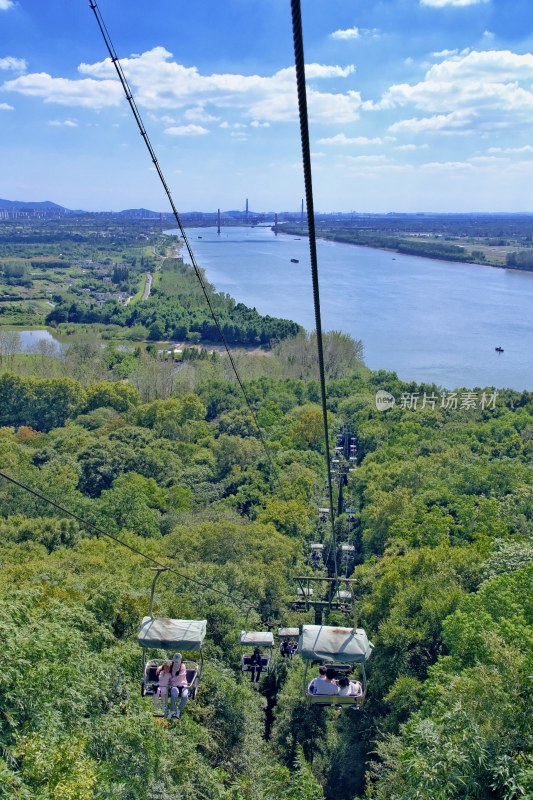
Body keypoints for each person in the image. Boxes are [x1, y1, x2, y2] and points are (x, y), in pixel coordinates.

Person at [168, 652, 188, 719]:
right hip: (174, 685)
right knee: (173, 694)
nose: (176, 662)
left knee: (185, 696)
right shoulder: (171, 666)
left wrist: (172, 679)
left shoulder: (183, 666)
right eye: (175, 661)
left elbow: (181, 676)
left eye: (177, 661)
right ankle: (172, 710)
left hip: (183, 685)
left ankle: (179, 710)